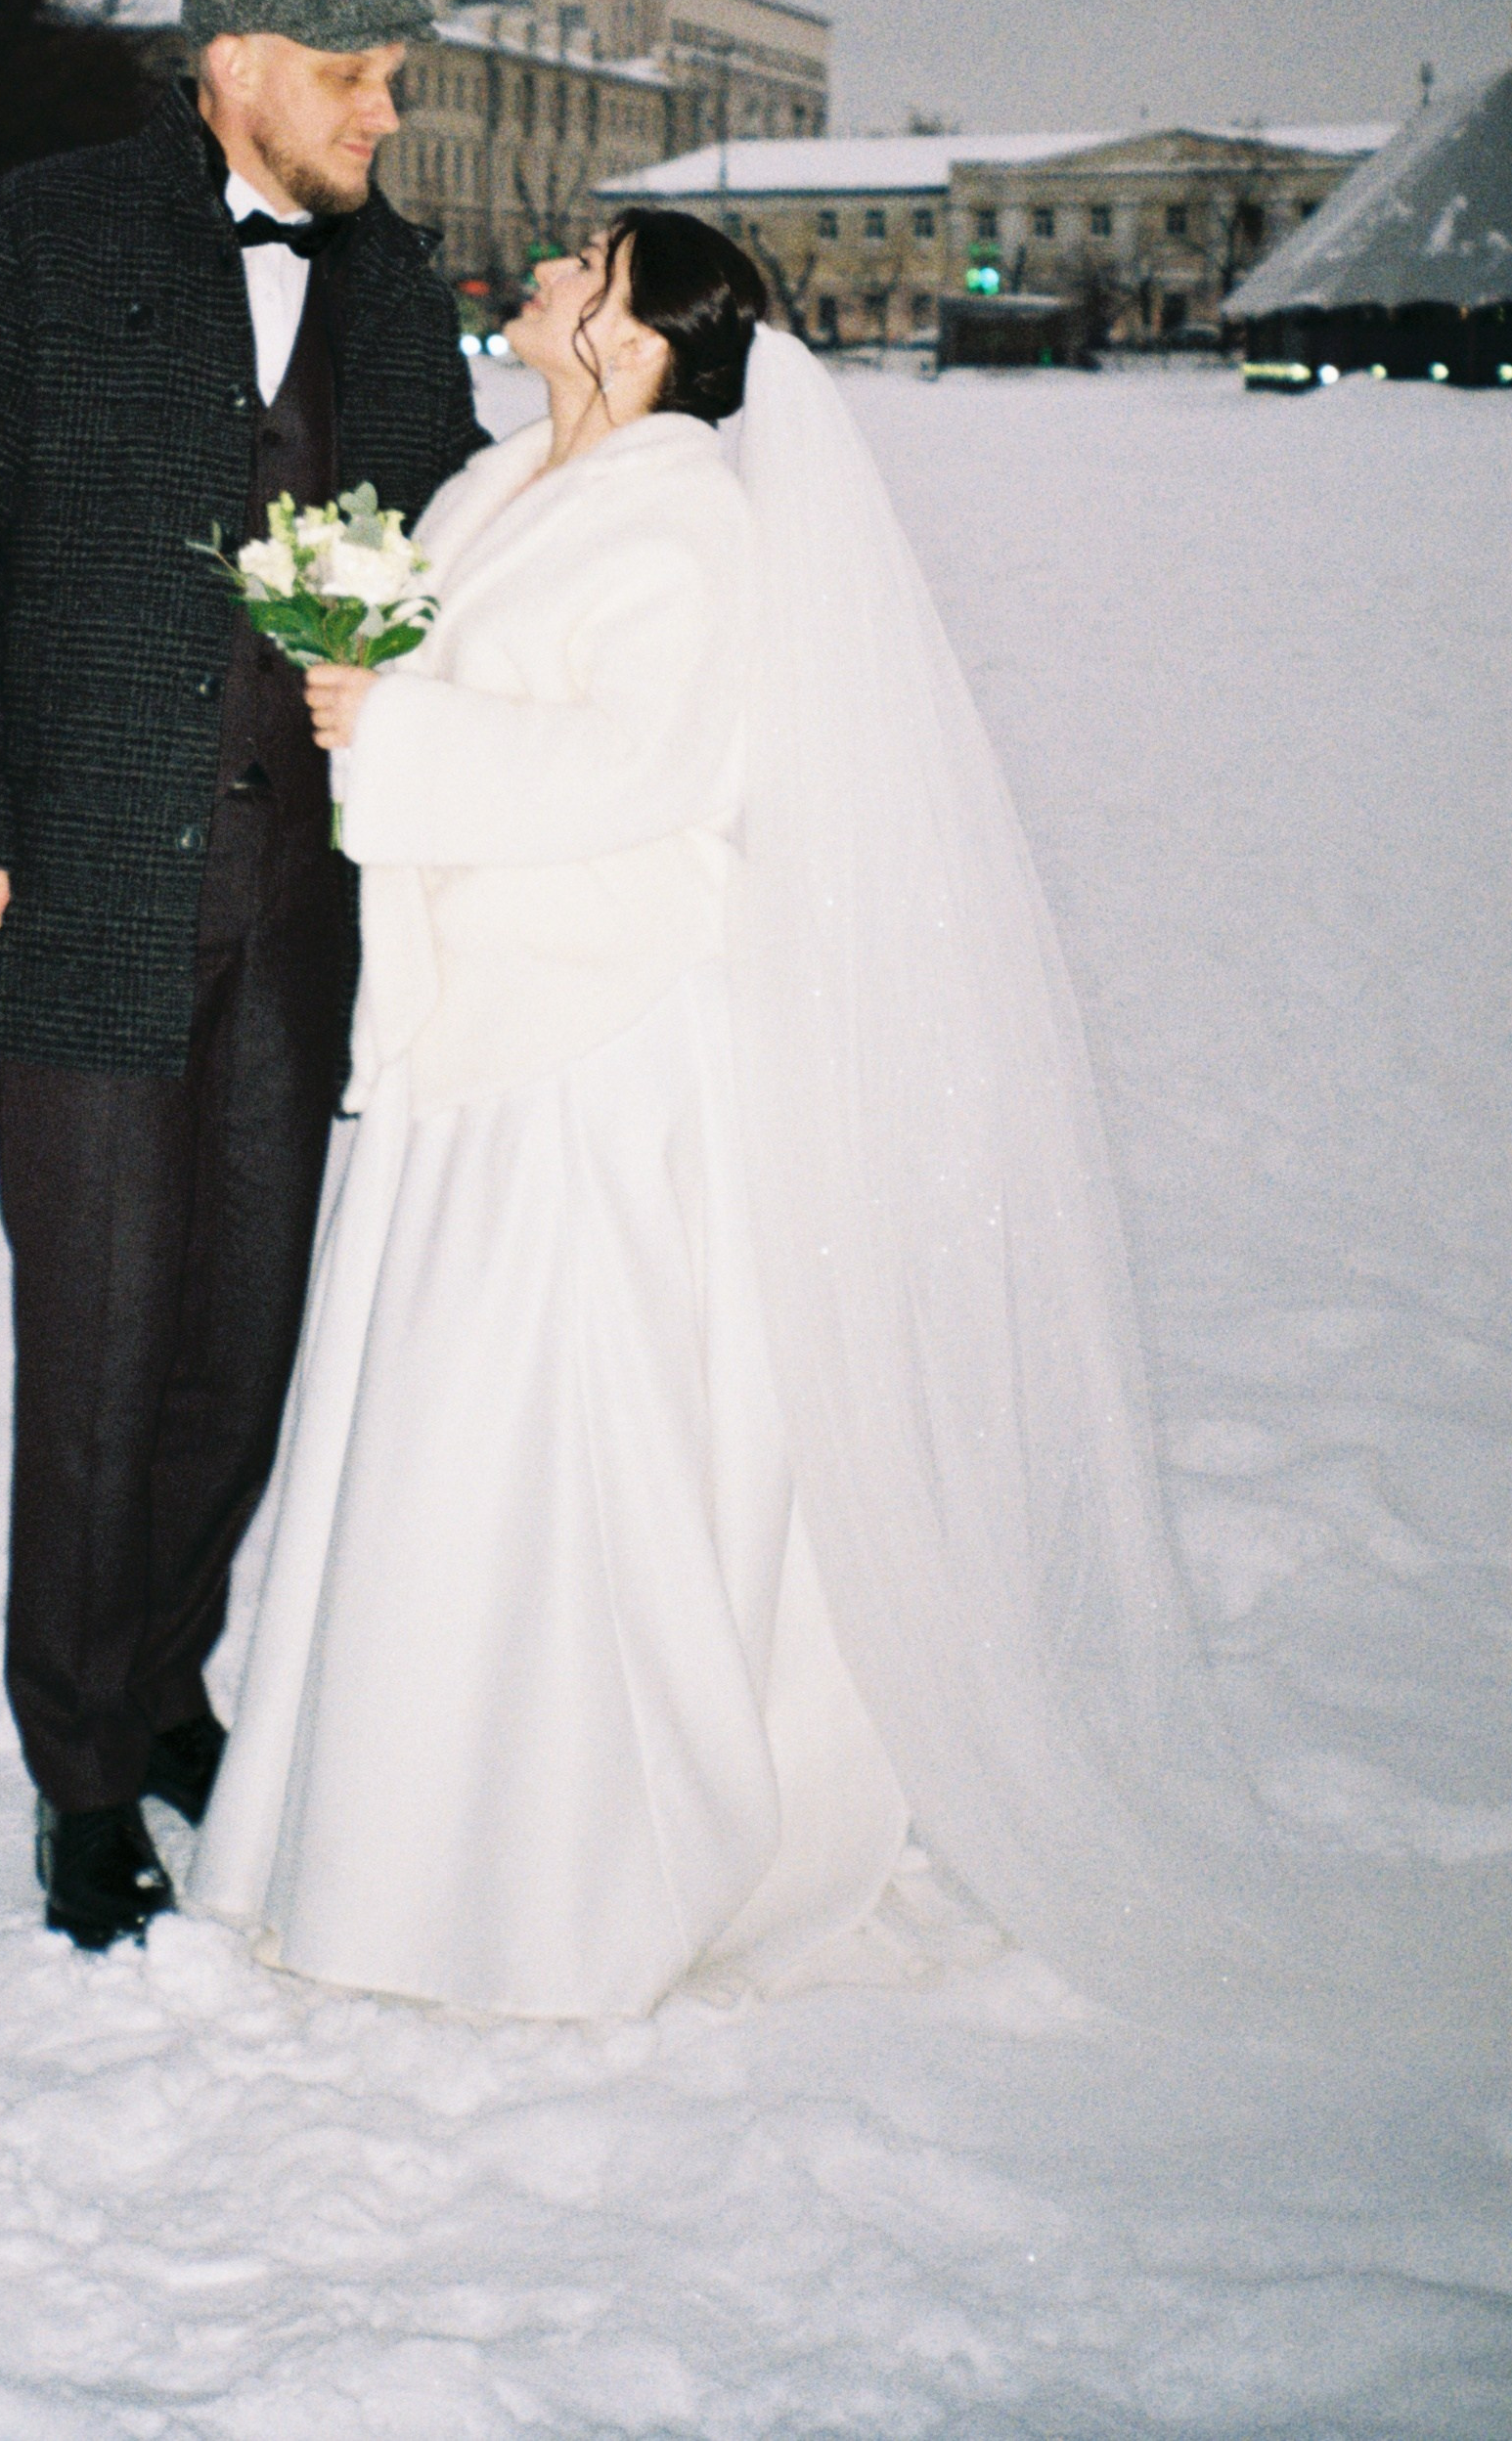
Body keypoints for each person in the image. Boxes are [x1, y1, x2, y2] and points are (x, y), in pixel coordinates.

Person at [190, 213, 1512, 2037]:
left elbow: (652, 764)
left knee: (566, 1440)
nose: (551, 276)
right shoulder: (502, 480)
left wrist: (396, 735)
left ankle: (556, 1870)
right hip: (468, 1026)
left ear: (639, 339)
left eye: (588, 265)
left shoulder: (682, 517)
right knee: (443, 1431)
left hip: (592, 1032)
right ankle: (399, 1832)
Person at [0, 0, 484, 1953]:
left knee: (245, 1337)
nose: (382, 115)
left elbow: (448, 530)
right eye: (348, 77)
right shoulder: (39, 228)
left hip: (310, 900)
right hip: (78, 879)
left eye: (393, 81)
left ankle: (158, 1681)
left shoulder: (386, 272)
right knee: (104, 1338)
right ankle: (73, 1771)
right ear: (229, 62)